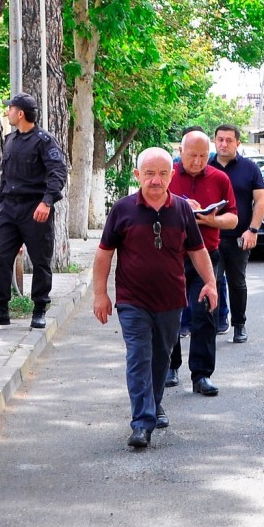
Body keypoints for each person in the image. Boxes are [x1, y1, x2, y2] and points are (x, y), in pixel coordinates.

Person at [91, 147, 218, 449]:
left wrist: (210, 283)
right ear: (138, 175)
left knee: (160, 359)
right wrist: (100, 294)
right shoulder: (122, 210)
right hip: (132, 300)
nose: (156, 180)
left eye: (162, 173)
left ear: (172, 175)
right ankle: (141, 422)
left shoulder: (183, 210)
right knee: (139, 357)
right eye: (149, 173)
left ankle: (154, 403)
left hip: (171, 300)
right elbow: (104, 253)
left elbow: (198, 251)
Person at [0, 93, 68, 330]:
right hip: (8, 208)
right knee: (0, 257)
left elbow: (58, 172)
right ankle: (0, 310)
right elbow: (5, 178)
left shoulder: (44, 141)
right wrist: (0, 208)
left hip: (35, 208)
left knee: (40, 261)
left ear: (21, 113)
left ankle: (39, 309)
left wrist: (47, 201)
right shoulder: (10, 139)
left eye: (11, 108)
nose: (7, 112)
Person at [166, 131, 237, 395]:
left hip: (207, 253)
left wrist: (212, 221)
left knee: (205, 311)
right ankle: (170, 366)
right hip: (172, 254)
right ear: (180, 152)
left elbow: (233, 218)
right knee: (169, 311)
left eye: (203, 156)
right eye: (191, 156)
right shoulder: (168, 174)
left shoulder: (219, 178)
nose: (197, 162)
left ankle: (202, 374)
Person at [212, 124, 264, 344]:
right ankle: (211, 323)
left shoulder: (250, 168)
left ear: (238, 143)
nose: (224, 144)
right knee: (211, 282)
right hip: (210, 238)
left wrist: (252, 229)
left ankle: (239, 325)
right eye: (220, 140)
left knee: (237, 282)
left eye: (229, 140)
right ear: (214, 141)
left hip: (238, 237)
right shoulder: (206, 167)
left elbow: (260, 200)